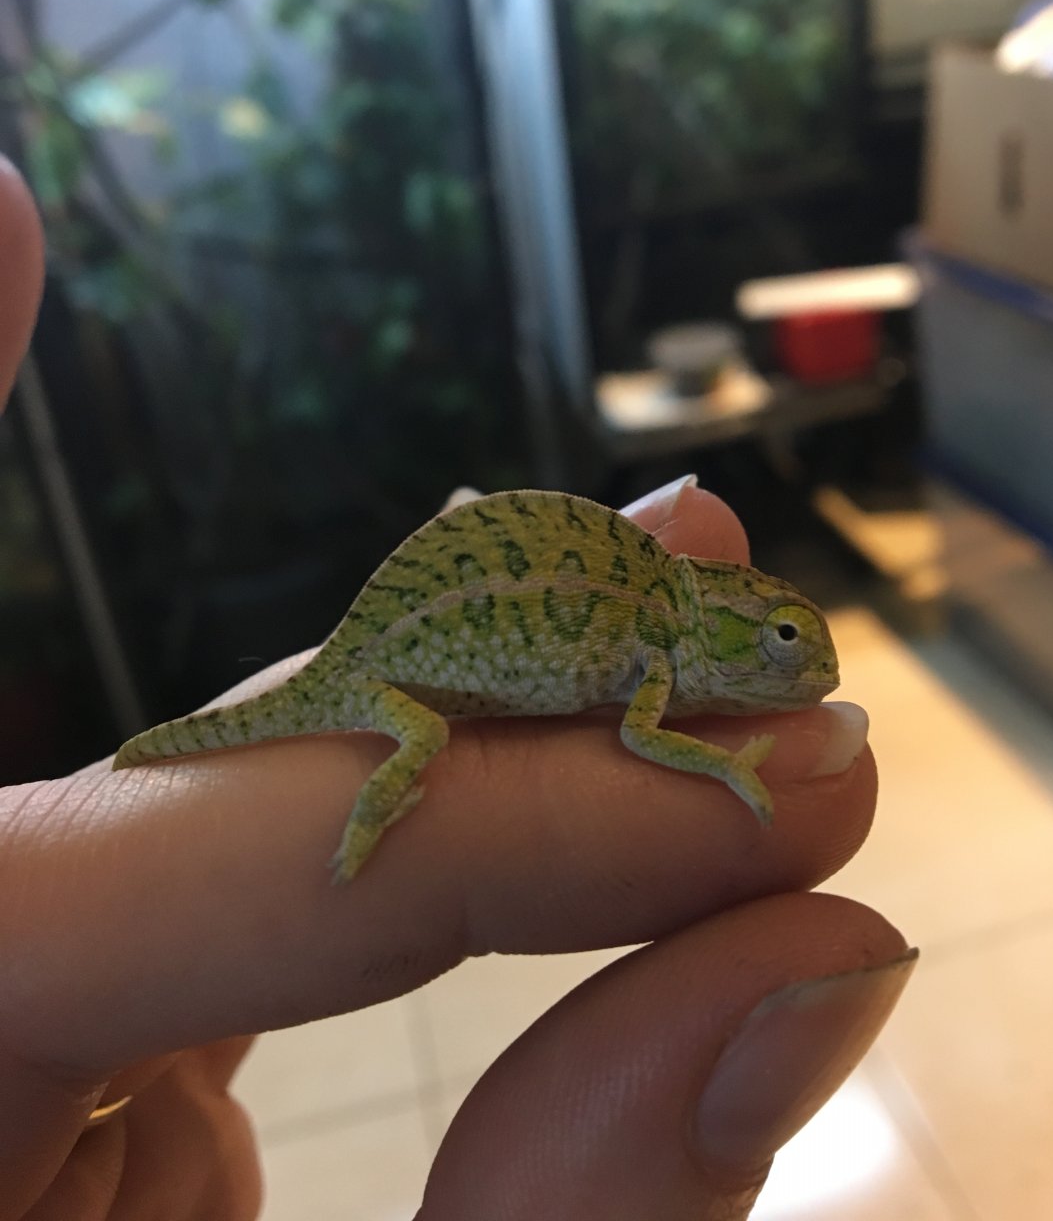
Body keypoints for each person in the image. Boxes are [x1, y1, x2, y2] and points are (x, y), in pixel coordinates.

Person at [0, 153, 914, 1220]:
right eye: (774, 647)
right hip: (392, 674)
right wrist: (728, 769)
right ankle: (374, 809)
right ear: (720, 621)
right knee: (420, 753)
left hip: (401, 651)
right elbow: (644, 741)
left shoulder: (662, 617)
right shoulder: (656, 644)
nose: (788, 673)